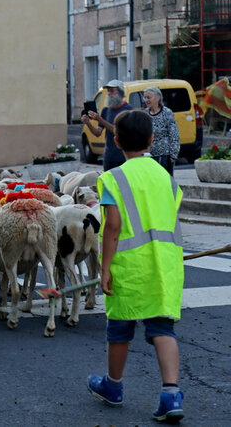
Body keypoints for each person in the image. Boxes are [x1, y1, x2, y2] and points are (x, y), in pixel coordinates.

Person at [87, 109, 185, 424]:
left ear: (115, 141)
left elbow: (112, 226)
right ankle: (171, 394)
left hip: (128, 265)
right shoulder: (167, 178)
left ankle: (113, 387)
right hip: (165, 264)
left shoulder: (112, 178)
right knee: (162, 328)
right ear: (152, 141)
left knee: (119, 329)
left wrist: (104, 269)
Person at [81, 80, 133, 171]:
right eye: (108, 91)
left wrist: (100, 119)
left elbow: (120, 132)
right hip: (109, 156)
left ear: (120, 92)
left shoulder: (128, 110)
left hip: (124, 156)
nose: (109, 94)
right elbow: (97, 133)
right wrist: (88, 123)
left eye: (112, 91)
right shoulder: (106, 110)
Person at [144, 86, 180, 175]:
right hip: (149, 155)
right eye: (145, 97)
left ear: (158, 98)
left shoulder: (166, 112)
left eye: (149, 97)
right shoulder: (145, 113)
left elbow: (174, 134)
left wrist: (173, 155)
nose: (146, 100)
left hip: (164, 155)